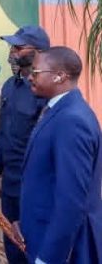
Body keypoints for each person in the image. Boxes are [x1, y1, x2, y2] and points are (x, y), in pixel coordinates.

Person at [16, 47, 102, 264]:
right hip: (41, 233)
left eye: (36, 72)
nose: (30, 77)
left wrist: (48, 257)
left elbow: (71, 199)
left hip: (65, 249)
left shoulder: (72, 120)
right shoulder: (57, 110)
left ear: (60, 76)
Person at [0, 25, 49, 264]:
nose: (12, 51)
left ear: (38, 51)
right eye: (12, 46)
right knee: (12, 245)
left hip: (35, 184)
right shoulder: (9, 87)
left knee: (32, 245)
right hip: (9, 183)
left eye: (18, 47)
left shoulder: (45, 91)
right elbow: (3, 133)